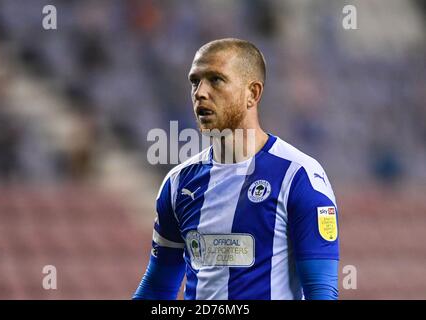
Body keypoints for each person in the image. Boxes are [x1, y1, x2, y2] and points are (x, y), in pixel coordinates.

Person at [133, 38, 339, 300]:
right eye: (195, 82)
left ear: (252, 93)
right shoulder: (178, 184)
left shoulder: (299, 177)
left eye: (215, 80)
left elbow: (321, 292)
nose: (200, 93)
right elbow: (158, 287)